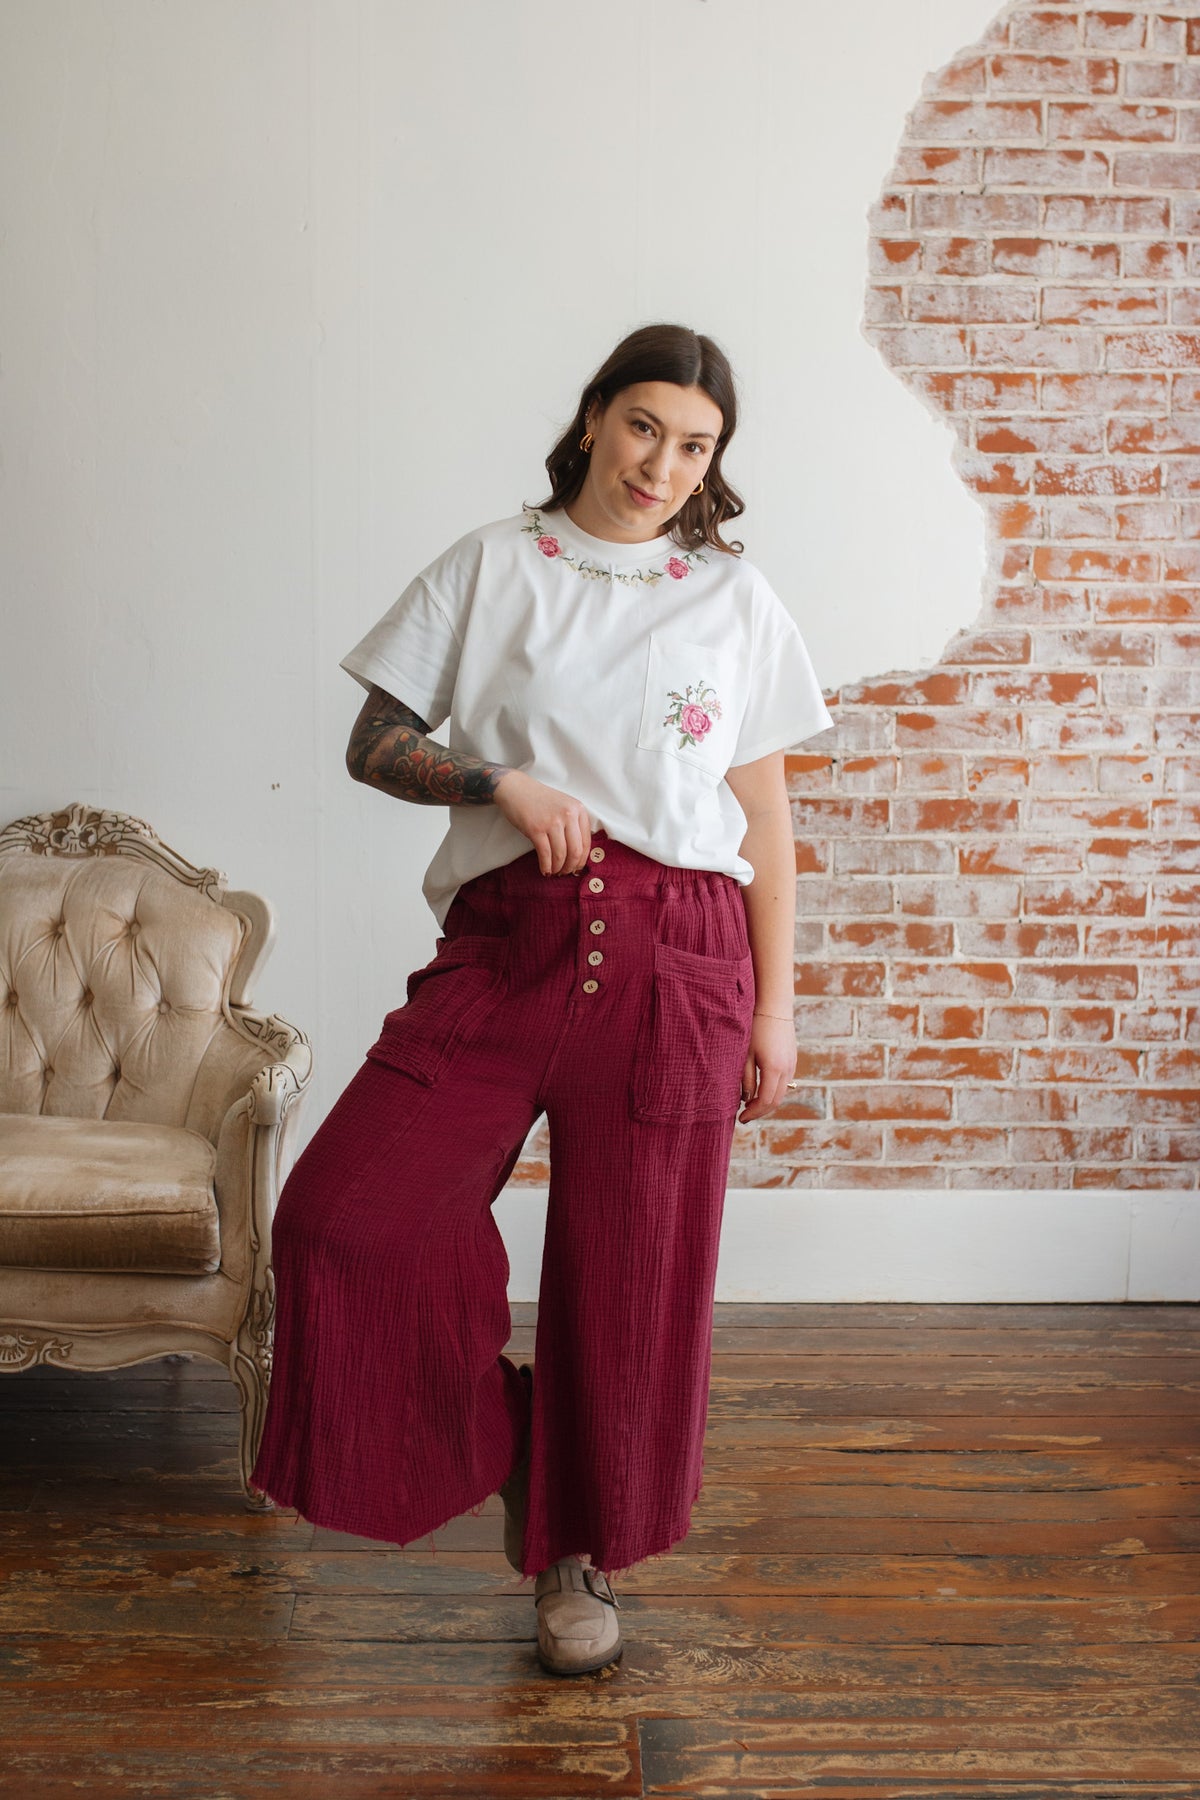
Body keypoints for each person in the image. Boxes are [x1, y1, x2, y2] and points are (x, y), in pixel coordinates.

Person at [248, 321, 834, 1677]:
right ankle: (521, 1444)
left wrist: (776, 1009)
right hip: (508, 942)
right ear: (592, 420)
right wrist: (497, 784)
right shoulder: (493, 564)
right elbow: (374, 741)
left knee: (631, 1281)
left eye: (695, 446)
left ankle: (577, 1553)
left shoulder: (735, 598)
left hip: (683, 955)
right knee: (339, 1221)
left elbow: (764, 818)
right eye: (644, 427)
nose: (662, 465)